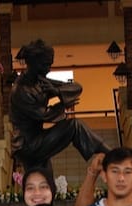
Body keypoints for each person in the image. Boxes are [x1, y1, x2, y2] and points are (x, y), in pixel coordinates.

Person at [9, 39, 110, 170]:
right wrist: (63, 105)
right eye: (45, 65)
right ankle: (113, 155)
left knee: (47, 183)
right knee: (73, 125)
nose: (48, 69)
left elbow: (76, 88)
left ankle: (112, 154)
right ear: (33, 63)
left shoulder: (40, 82)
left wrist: (56, 91)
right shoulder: (22, 90)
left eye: (50, 65)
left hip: (38, 139)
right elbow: (45, 115)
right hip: (27, 146)